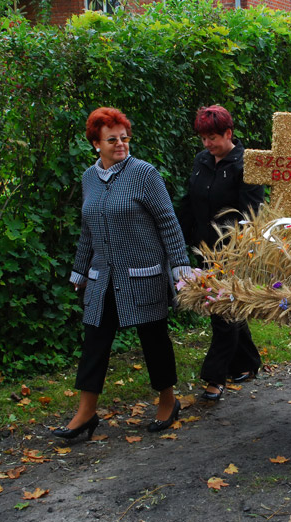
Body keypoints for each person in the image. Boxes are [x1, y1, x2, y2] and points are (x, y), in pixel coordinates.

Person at [55, 107, 191, 440]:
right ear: (95, 144)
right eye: (112, 139)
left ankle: (167, 401)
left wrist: (181, 268)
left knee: (153, 338)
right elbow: (87, 229)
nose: (121, 144)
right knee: (94, 341)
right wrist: (79, 271)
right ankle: (86, 413)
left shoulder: (144, 174)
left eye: (124, 138)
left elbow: (168, 223)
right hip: (103, 277)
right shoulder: (89, 178)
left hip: (143, 274)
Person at [178, 105, 265, 402]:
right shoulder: (202, 160)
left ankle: (215, 377)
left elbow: (251, 214)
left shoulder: (246, 165)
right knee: (227, 307)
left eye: (212, 137)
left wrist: (240, 251)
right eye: (203, 138)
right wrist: (178, 235)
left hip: (233, 253)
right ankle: (247, 362)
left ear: (229, 133)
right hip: (204, 248)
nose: (207, 144)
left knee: (221, 310)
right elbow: (191, 201)